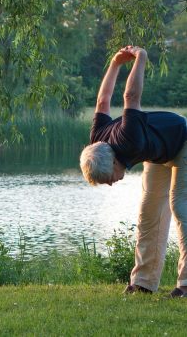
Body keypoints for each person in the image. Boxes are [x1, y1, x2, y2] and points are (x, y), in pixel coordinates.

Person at [80, 45, 187, 297]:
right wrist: (115, 63)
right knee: (148, 213)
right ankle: (143, 282)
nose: (111, 184)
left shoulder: (128, 139)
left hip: (183, 141)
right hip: (159, 153)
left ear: (114, 162)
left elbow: (131, 97)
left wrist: (141, 57)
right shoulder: (98, 139)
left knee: (180, 205)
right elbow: (103, 100)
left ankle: (185, 284)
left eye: (108, 180)